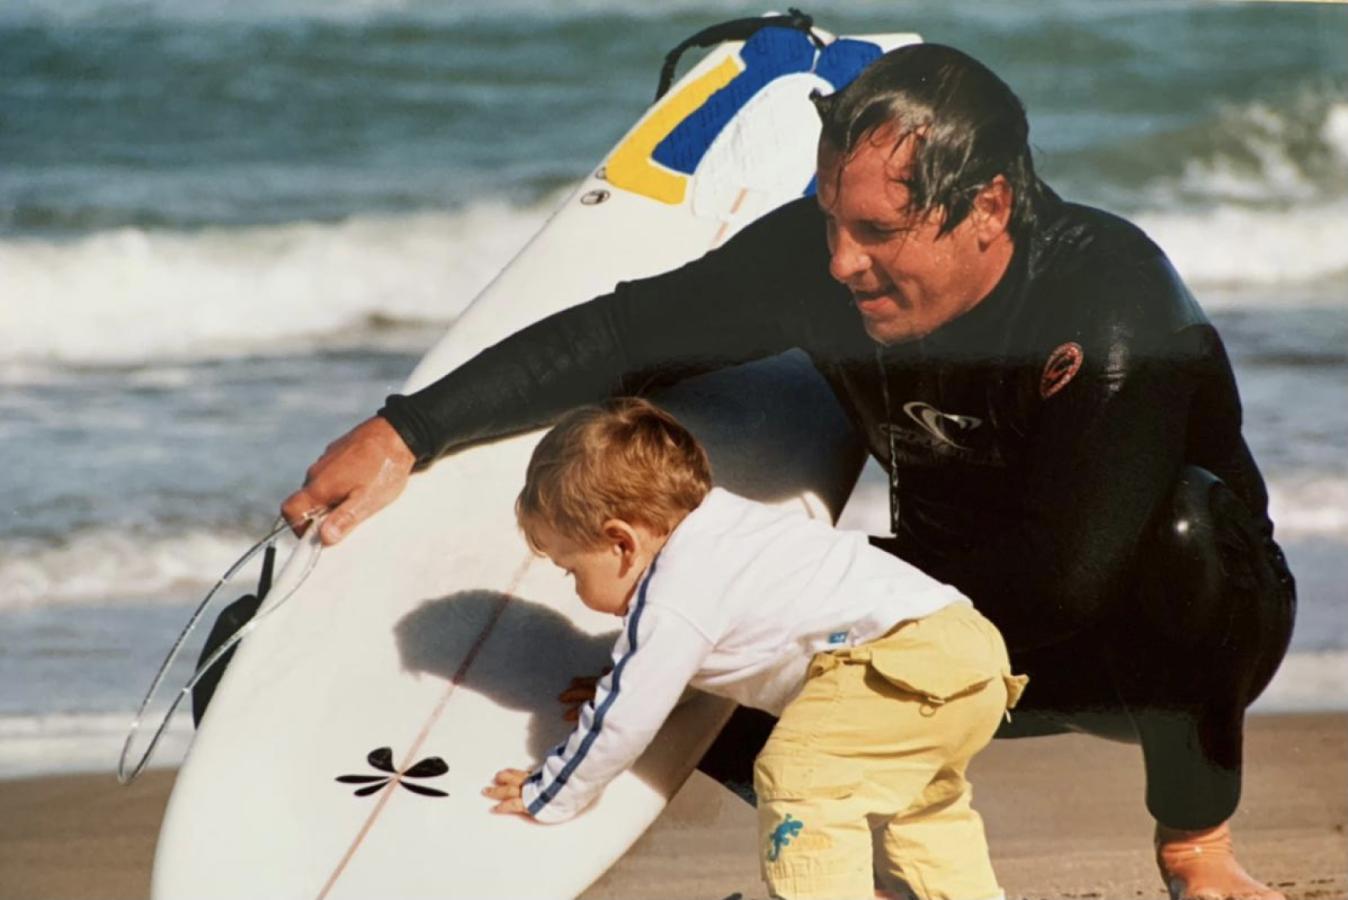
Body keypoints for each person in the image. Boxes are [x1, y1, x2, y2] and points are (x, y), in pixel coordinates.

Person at [283, 43, 1295, 900]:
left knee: (1183, 538)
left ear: (987, 207)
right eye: (826, 221)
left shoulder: (1108, 307)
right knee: (705, 632)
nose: (841, 262)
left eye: (876, 233)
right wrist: (406, 432)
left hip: (1137, 643)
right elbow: (629, 333)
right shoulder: (821, 268)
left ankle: (1195, 845)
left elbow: (1064, 581)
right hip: (938, 613)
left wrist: (773, 641)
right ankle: (882, 850)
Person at [480, 398, 1026, 900]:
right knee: (922, 806)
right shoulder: (729, 526)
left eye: (571, 570)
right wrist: (626, 685)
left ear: (621, 542)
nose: (575, 588)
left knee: (796, 774)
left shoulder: (671, 595)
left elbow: (626, 720)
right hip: (966, 644)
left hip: (891, 658)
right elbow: (721, 652)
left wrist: (549, 794)